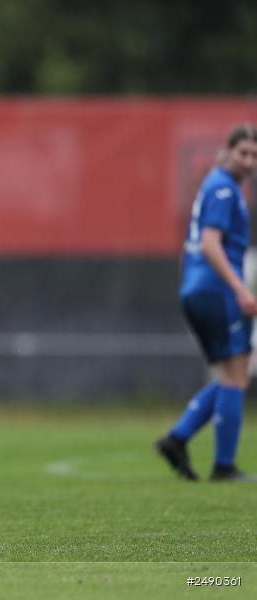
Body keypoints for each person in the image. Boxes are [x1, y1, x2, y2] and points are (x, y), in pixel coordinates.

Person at [156, 123, 257, 482]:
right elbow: (211, 244)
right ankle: (223, 465)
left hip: (199, 289)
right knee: (236, 374)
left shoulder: (214, 185)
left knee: (232, 374)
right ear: (228, 150)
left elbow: (194, 245)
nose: (249, 161)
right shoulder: (224, 189)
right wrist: (241, 289)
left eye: (254, 155)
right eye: (243, 153)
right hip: (218, 290)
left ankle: (177, 439)